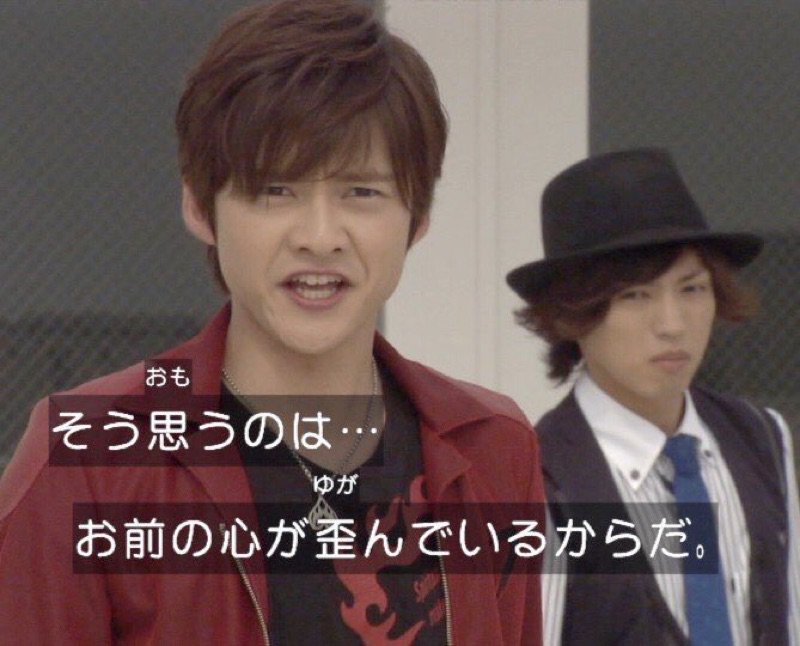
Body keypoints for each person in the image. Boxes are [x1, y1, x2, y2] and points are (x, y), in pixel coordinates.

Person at [0, 1, 544, 644]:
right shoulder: (87, 460)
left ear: (417, 217)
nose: (320, 236)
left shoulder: (492, 448)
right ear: (201, 207)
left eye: (361, 192)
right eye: (275, 191)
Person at [507, 148, 799, 645]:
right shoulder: (539, 478)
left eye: (692, 289)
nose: (672, 324)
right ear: (573, 312)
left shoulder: (762, 438)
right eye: (635, 295)